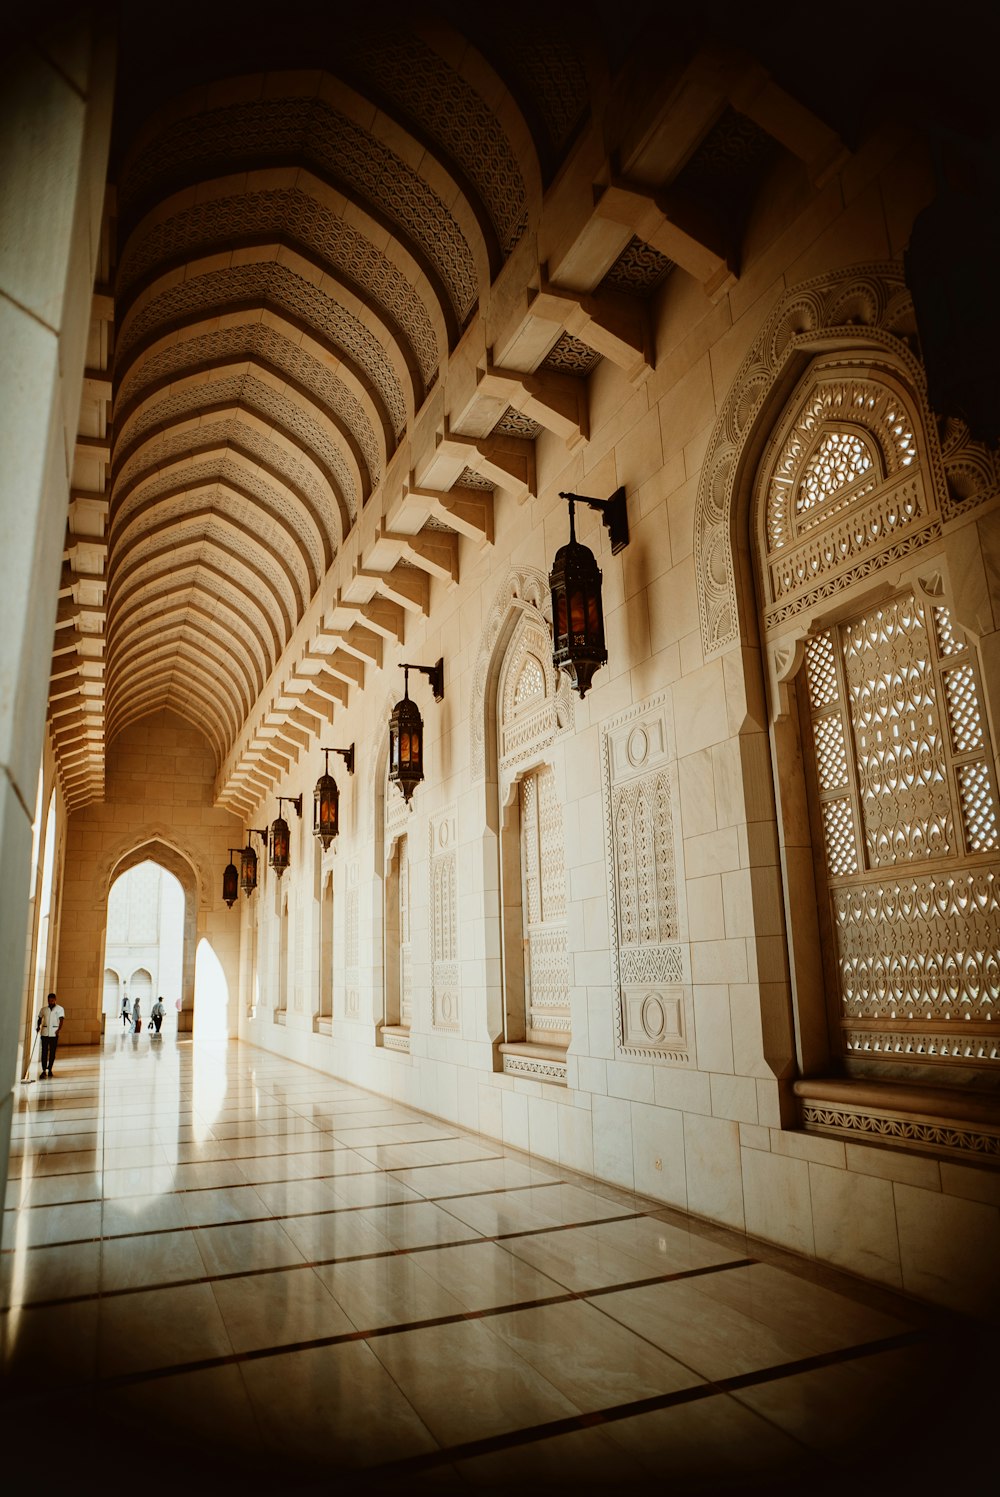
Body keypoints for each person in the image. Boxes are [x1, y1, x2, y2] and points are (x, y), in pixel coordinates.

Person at [36, 992, 65, 1078]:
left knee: (52, 1053)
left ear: (55, 1000)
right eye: (49, 1001)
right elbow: (40, 1018)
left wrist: (58, 1030)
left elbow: (62, 1020)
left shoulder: (60, 1009)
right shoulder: (44, 1009)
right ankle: (44, 1070)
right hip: (44, 1033)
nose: (50, 1002)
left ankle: (50, 1069)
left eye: (52, 1001)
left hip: (54, 1034)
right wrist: (38, 1026)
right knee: (44, 1052)